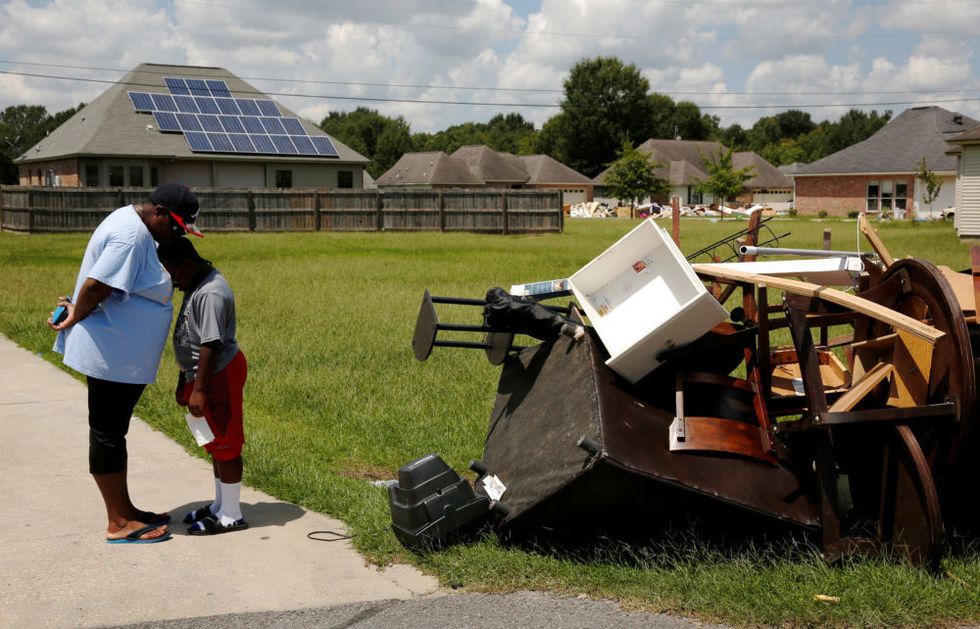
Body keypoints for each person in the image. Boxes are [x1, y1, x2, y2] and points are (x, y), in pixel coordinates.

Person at [49, 182, 203, 544]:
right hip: (111, 355)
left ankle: (127, 510)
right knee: (107, 433)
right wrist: (76, 314)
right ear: (160, 213)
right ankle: (118, 522)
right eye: (178, 227)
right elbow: (96, 285)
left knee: (114, 433)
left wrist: (78, 308)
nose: (177, 235)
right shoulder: (131, 237)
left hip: (120, 355)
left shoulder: (133, 226)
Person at [156, 236, 249, 535]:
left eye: (174, 274)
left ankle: (232, 514)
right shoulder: (195, 283)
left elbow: (210, 343)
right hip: (199, 375)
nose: (173, 281)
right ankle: (221, 504)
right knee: (212, 443)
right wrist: (184, 379)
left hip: (216, 375)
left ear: (187, 263)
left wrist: (199, 389)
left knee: (226, 443)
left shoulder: (210, 293)